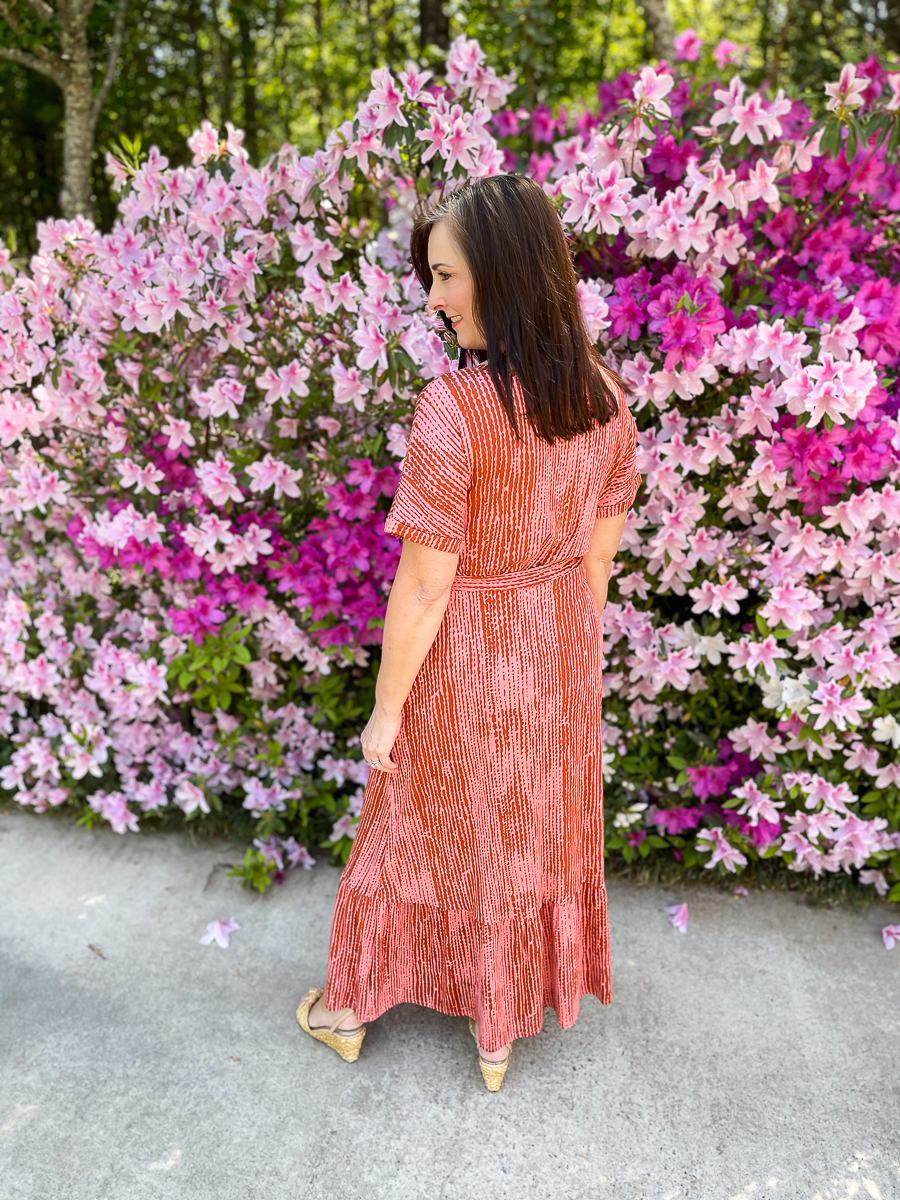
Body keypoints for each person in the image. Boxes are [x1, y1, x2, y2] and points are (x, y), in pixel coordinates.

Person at [296, 173, 642, 1091]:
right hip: (559, 640)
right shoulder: (609, 401)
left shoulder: (453, 410)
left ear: (501, 275)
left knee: (408, 822)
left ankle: (346, 1009)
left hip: (467, 644)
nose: (436, 298)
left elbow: (424, 584)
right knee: (527, 829)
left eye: (447, 277)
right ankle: (500, 1032)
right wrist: (559, 657)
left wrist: (385, 710)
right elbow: (598, 563)